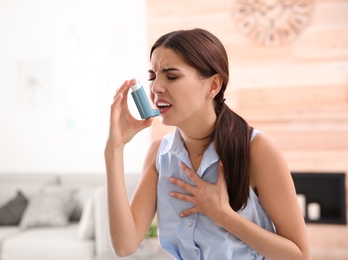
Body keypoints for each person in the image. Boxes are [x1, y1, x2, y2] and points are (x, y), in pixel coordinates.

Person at [104, 28, 310, 260]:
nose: (155, 88)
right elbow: (124, 245)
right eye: (153, 77)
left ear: (213, 86)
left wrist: (223, 216)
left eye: (171, 76)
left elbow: (299, 256)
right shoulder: (159, 155)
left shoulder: (257, 150)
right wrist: (115, 149)